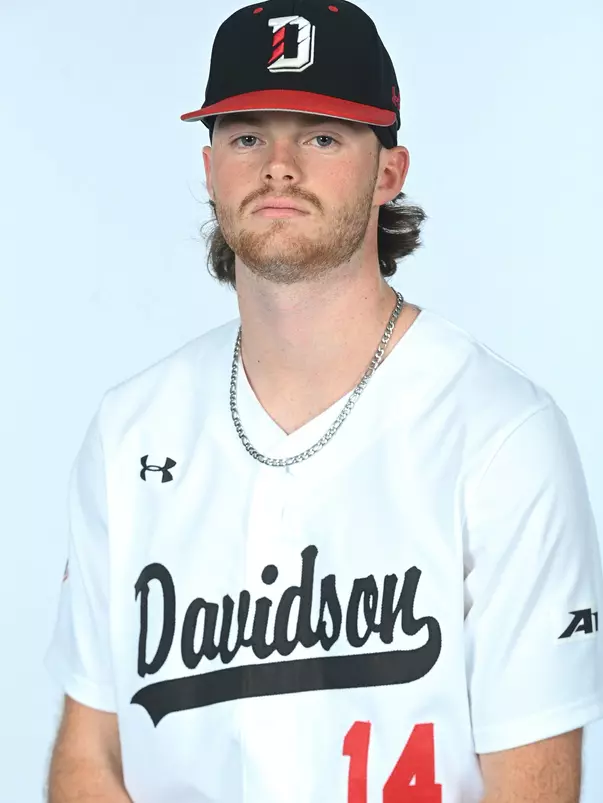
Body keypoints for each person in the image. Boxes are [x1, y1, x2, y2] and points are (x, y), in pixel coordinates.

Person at [44, 1, 603, 801]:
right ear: (209, 170)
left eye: (320, 135)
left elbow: (533, 783)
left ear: (388, 173)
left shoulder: (501, 435)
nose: (279, 165)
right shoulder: (129, 429)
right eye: (245, 135)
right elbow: (89, 750)